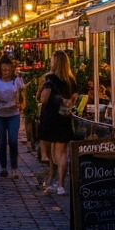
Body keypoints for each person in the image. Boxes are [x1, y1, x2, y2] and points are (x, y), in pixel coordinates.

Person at [37, 50, 77, 195]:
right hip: (65, 117)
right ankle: (60, 185)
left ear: (54, 62)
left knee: (53, 150)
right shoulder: (71, 79)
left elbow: (44, 99)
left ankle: (53, 180)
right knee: (62, 152)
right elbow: (74, 97)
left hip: (51, 117)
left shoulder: (50, 79)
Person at [0, 56, 25, 178]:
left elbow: (22, 95)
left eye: (8, 70)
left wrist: (20, 103)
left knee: (13, 141)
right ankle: (3, 167)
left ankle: (14, 168)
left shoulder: (16, 81)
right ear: (0, 70)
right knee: (1, 142)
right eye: (4, 70)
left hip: (13, 114)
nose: (6, 72)